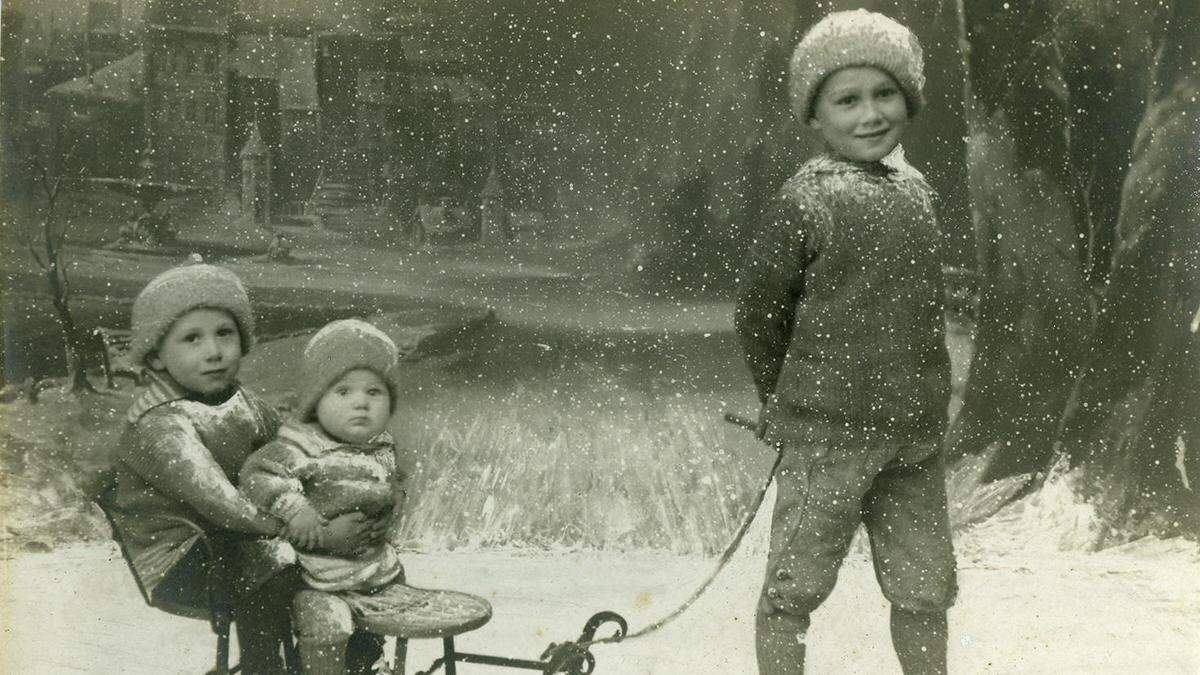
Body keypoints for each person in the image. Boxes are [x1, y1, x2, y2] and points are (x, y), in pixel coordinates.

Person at [734, 9, 957, 674]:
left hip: (912, 437)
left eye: (884, 94)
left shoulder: (920, 194)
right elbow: (759, 309)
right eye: (847, 99)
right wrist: (778, 396)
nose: (870, 115)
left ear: (908, 98)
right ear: (815, 113)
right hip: (827, 434)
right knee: (792, 589)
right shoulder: (805, 201)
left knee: (925, 586)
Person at [106, 263, 382, 673]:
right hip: (182, 555)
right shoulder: (161, 424)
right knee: (276, 563)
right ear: (156, 357)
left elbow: (290, 449)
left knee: (344, 556)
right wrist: (318, 532)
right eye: (191, 339)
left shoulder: (240, 399)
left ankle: (351, 653)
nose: (214, 351)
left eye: (224, 333)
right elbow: (224, 505)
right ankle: (264, 666)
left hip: (240, 538)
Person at [240, 319, 421, 675]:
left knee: (369, 638)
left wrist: (394, 499)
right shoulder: (301, 446)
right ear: (315, 399)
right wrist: (296, 509)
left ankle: (365, 663)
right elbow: (258, 476)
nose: (361, 404)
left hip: (374, 572)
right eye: (343, 392)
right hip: (314, 575)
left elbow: (389, 483)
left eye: (374, 392)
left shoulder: (381, 445)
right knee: (327, 624)